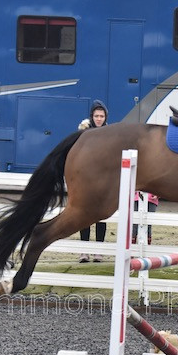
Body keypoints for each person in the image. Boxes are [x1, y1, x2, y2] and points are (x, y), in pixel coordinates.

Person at [77, 100, 109, 262]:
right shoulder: (84, 132)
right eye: (96, 116)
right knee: (85, 215)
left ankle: (99, 251)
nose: (99, 119)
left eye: (101, 116)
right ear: (92, 117)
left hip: (103, 181)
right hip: (87, 180)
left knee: (101, 216)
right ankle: (84, 251)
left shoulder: (110, 133)